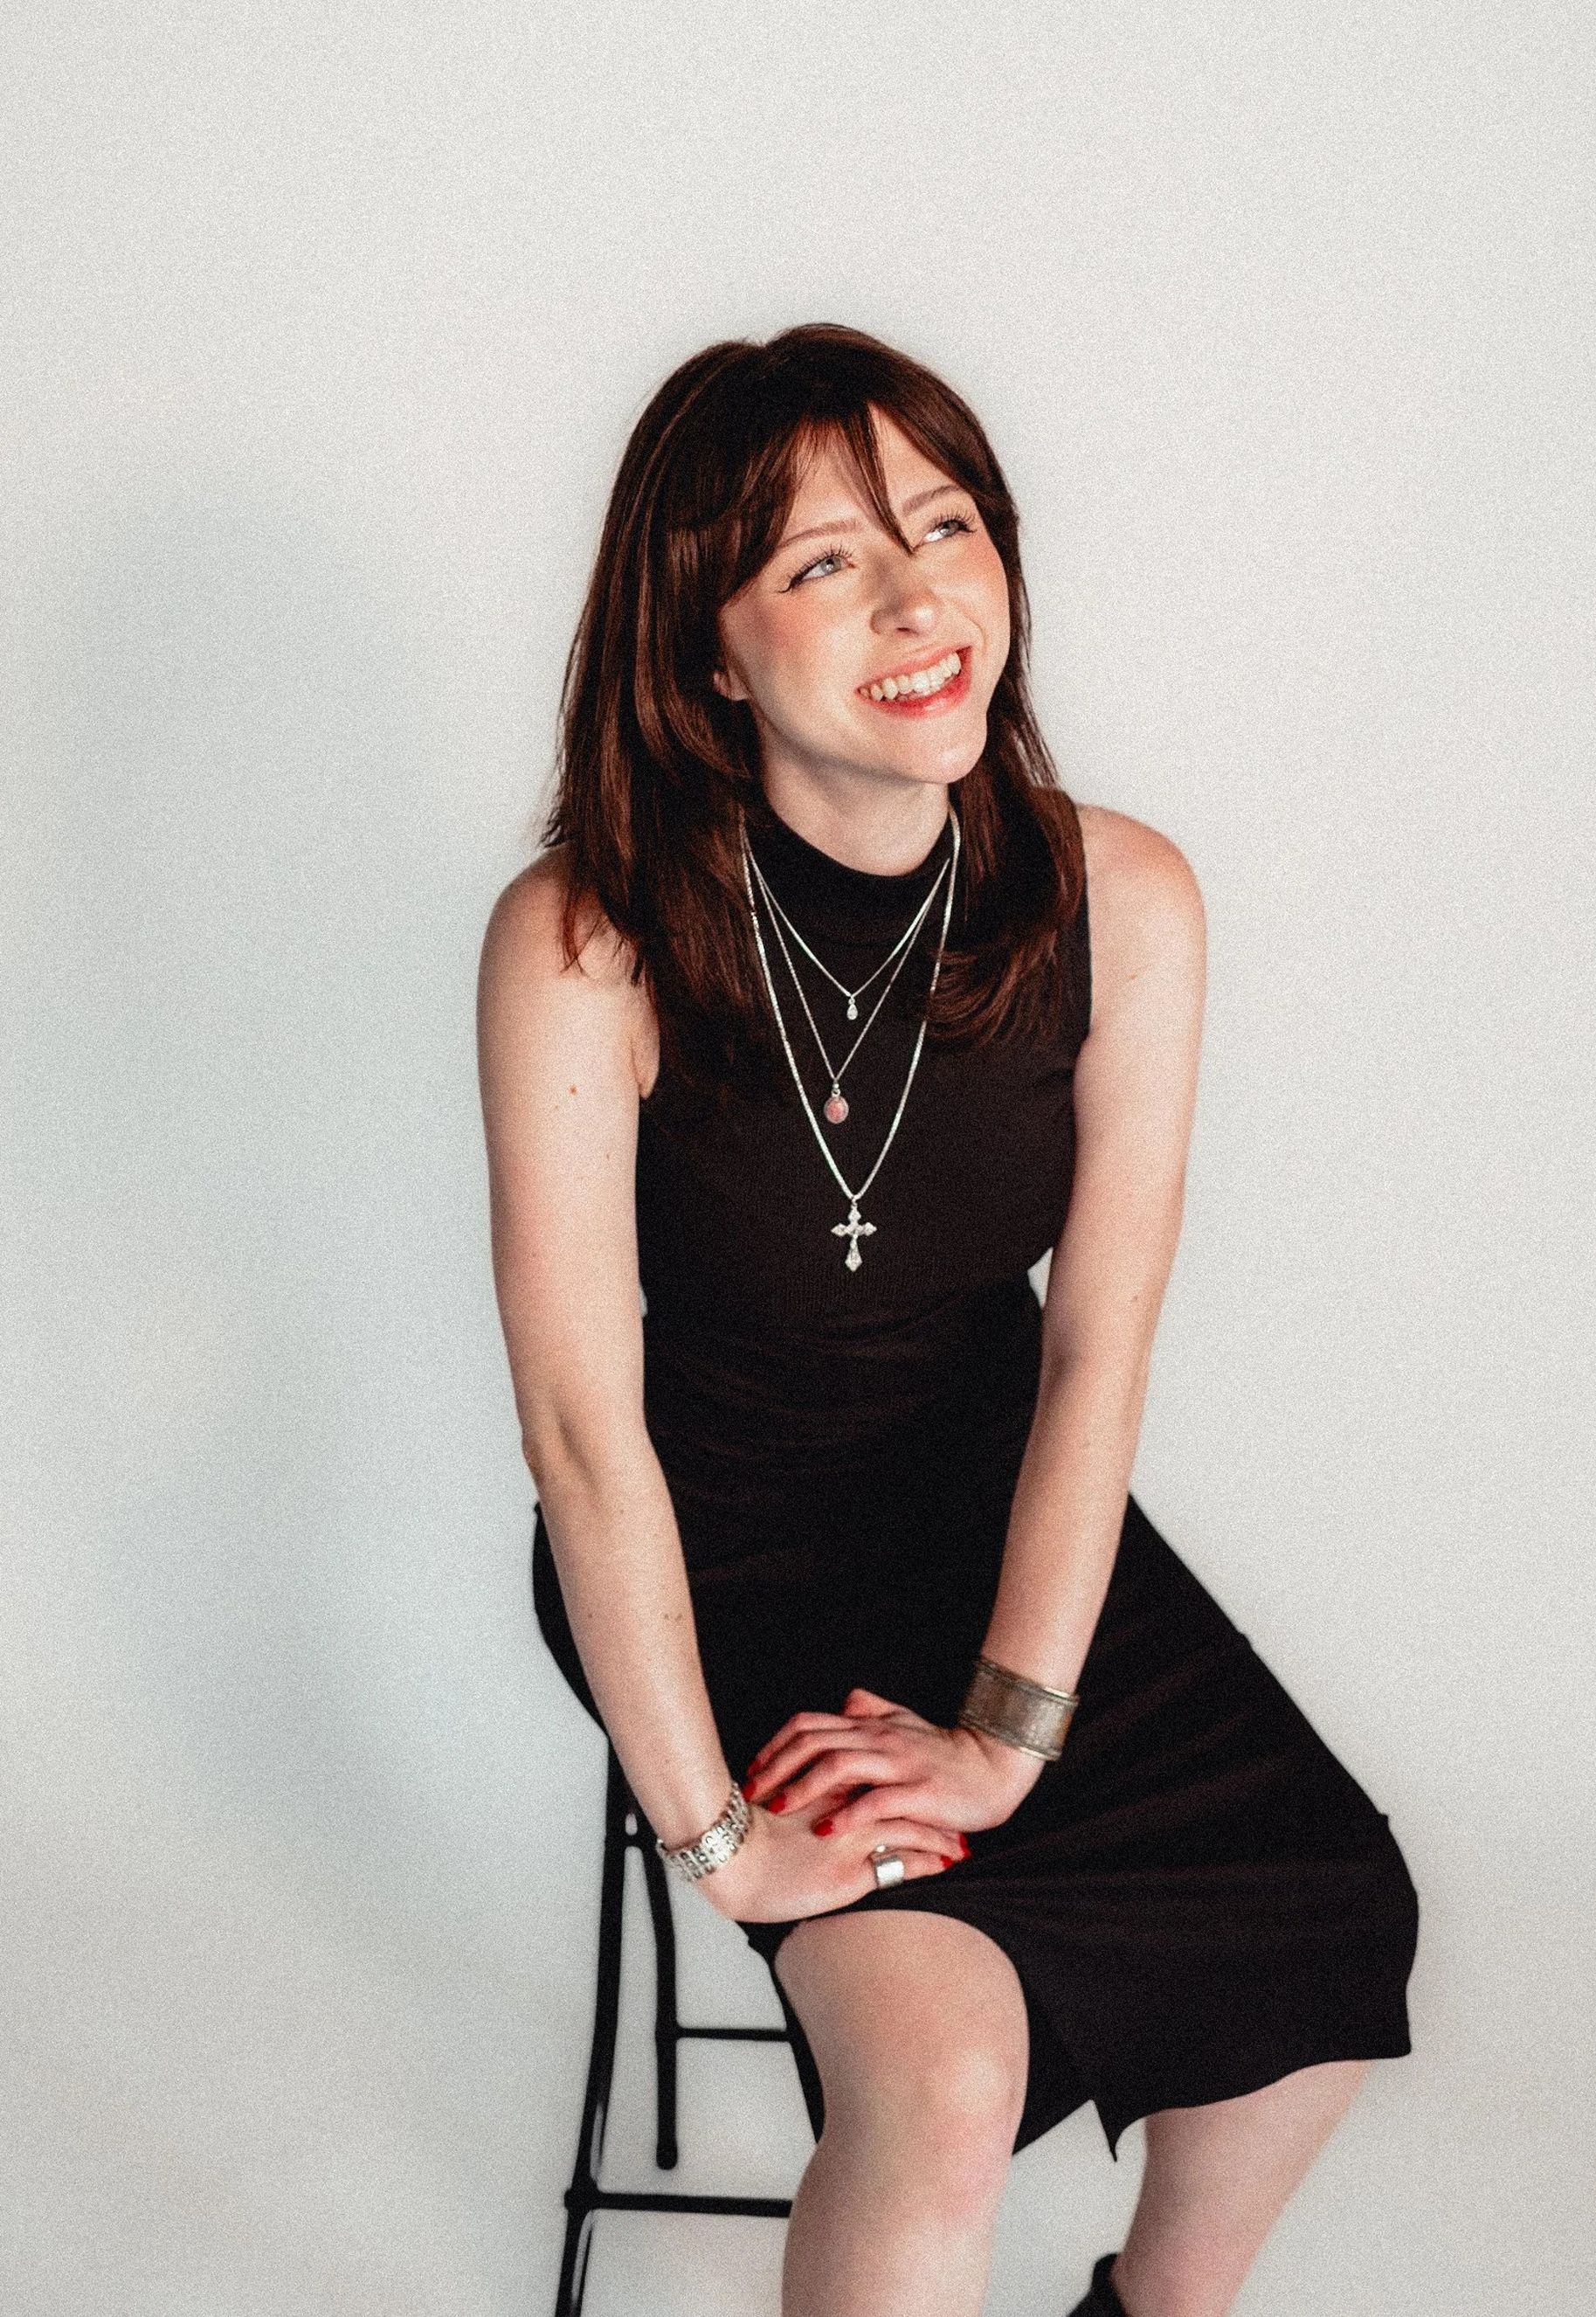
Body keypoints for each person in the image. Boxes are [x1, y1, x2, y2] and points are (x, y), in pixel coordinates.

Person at [475, 322, 1420, 2317]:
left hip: (1001, 1522)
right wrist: (718, 1834)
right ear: (709, 650)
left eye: (948, 525)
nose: (919, 598)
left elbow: (1097, 1350)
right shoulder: (587, 943)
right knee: (948, 2074)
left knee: (1337, 1917)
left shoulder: (1125, 906)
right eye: (824, 560)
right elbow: (580, 1428)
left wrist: (1004, 1732)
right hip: (710, 1549)